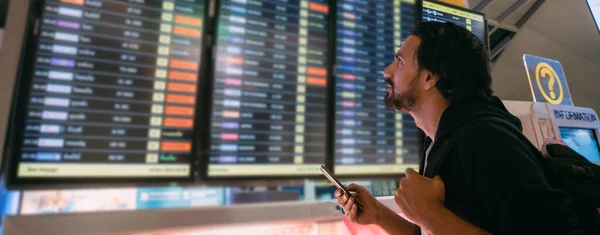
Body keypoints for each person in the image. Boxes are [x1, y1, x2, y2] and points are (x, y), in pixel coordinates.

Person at [335, 21, 583, 235]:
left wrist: (430, 213)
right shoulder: (439, 141)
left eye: (399, 61)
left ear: (429, 78)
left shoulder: (487, 141)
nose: (387, 71)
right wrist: (379, 215)